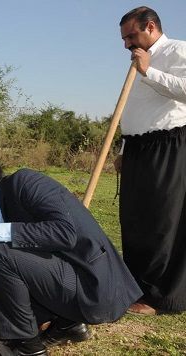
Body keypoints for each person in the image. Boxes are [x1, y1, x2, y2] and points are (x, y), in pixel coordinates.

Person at [0, 154, 142, 356]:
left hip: (95, 286)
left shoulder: (24, 183)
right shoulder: (3, 206)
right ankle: (67, 324)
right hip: (74, 279)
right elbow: (20, 265)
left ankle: (27, 348)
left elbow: (64, 233)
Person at [115, 6, 186, 315]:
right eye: (124, 38)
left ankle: (162, 297)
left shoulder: (177, 51)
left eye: (131, 36)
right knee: (134, 219)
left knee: (161, 221)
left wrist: (150, 72)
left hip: (167, 144)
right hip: (137, 148)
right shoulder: (137, 60)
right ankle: (136, 287)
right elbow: (132, 110)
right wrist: (122, 150)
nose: (127, 44)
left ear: (151, 27)